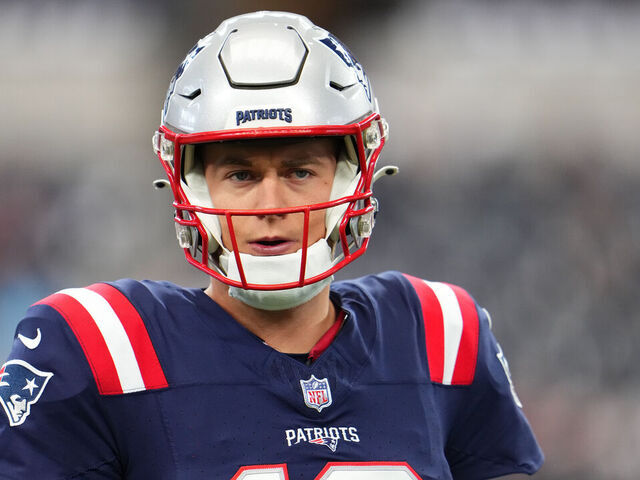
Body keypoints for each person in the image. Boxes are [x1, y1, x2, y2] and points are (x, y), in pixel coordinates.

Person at [0, 11, 543, 479]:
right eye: (240, 174)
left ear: (350, 179)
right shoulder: (99, 347)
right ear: (190, 185)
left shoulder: (441, 334)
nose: (271, 203)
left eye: (300, 170)